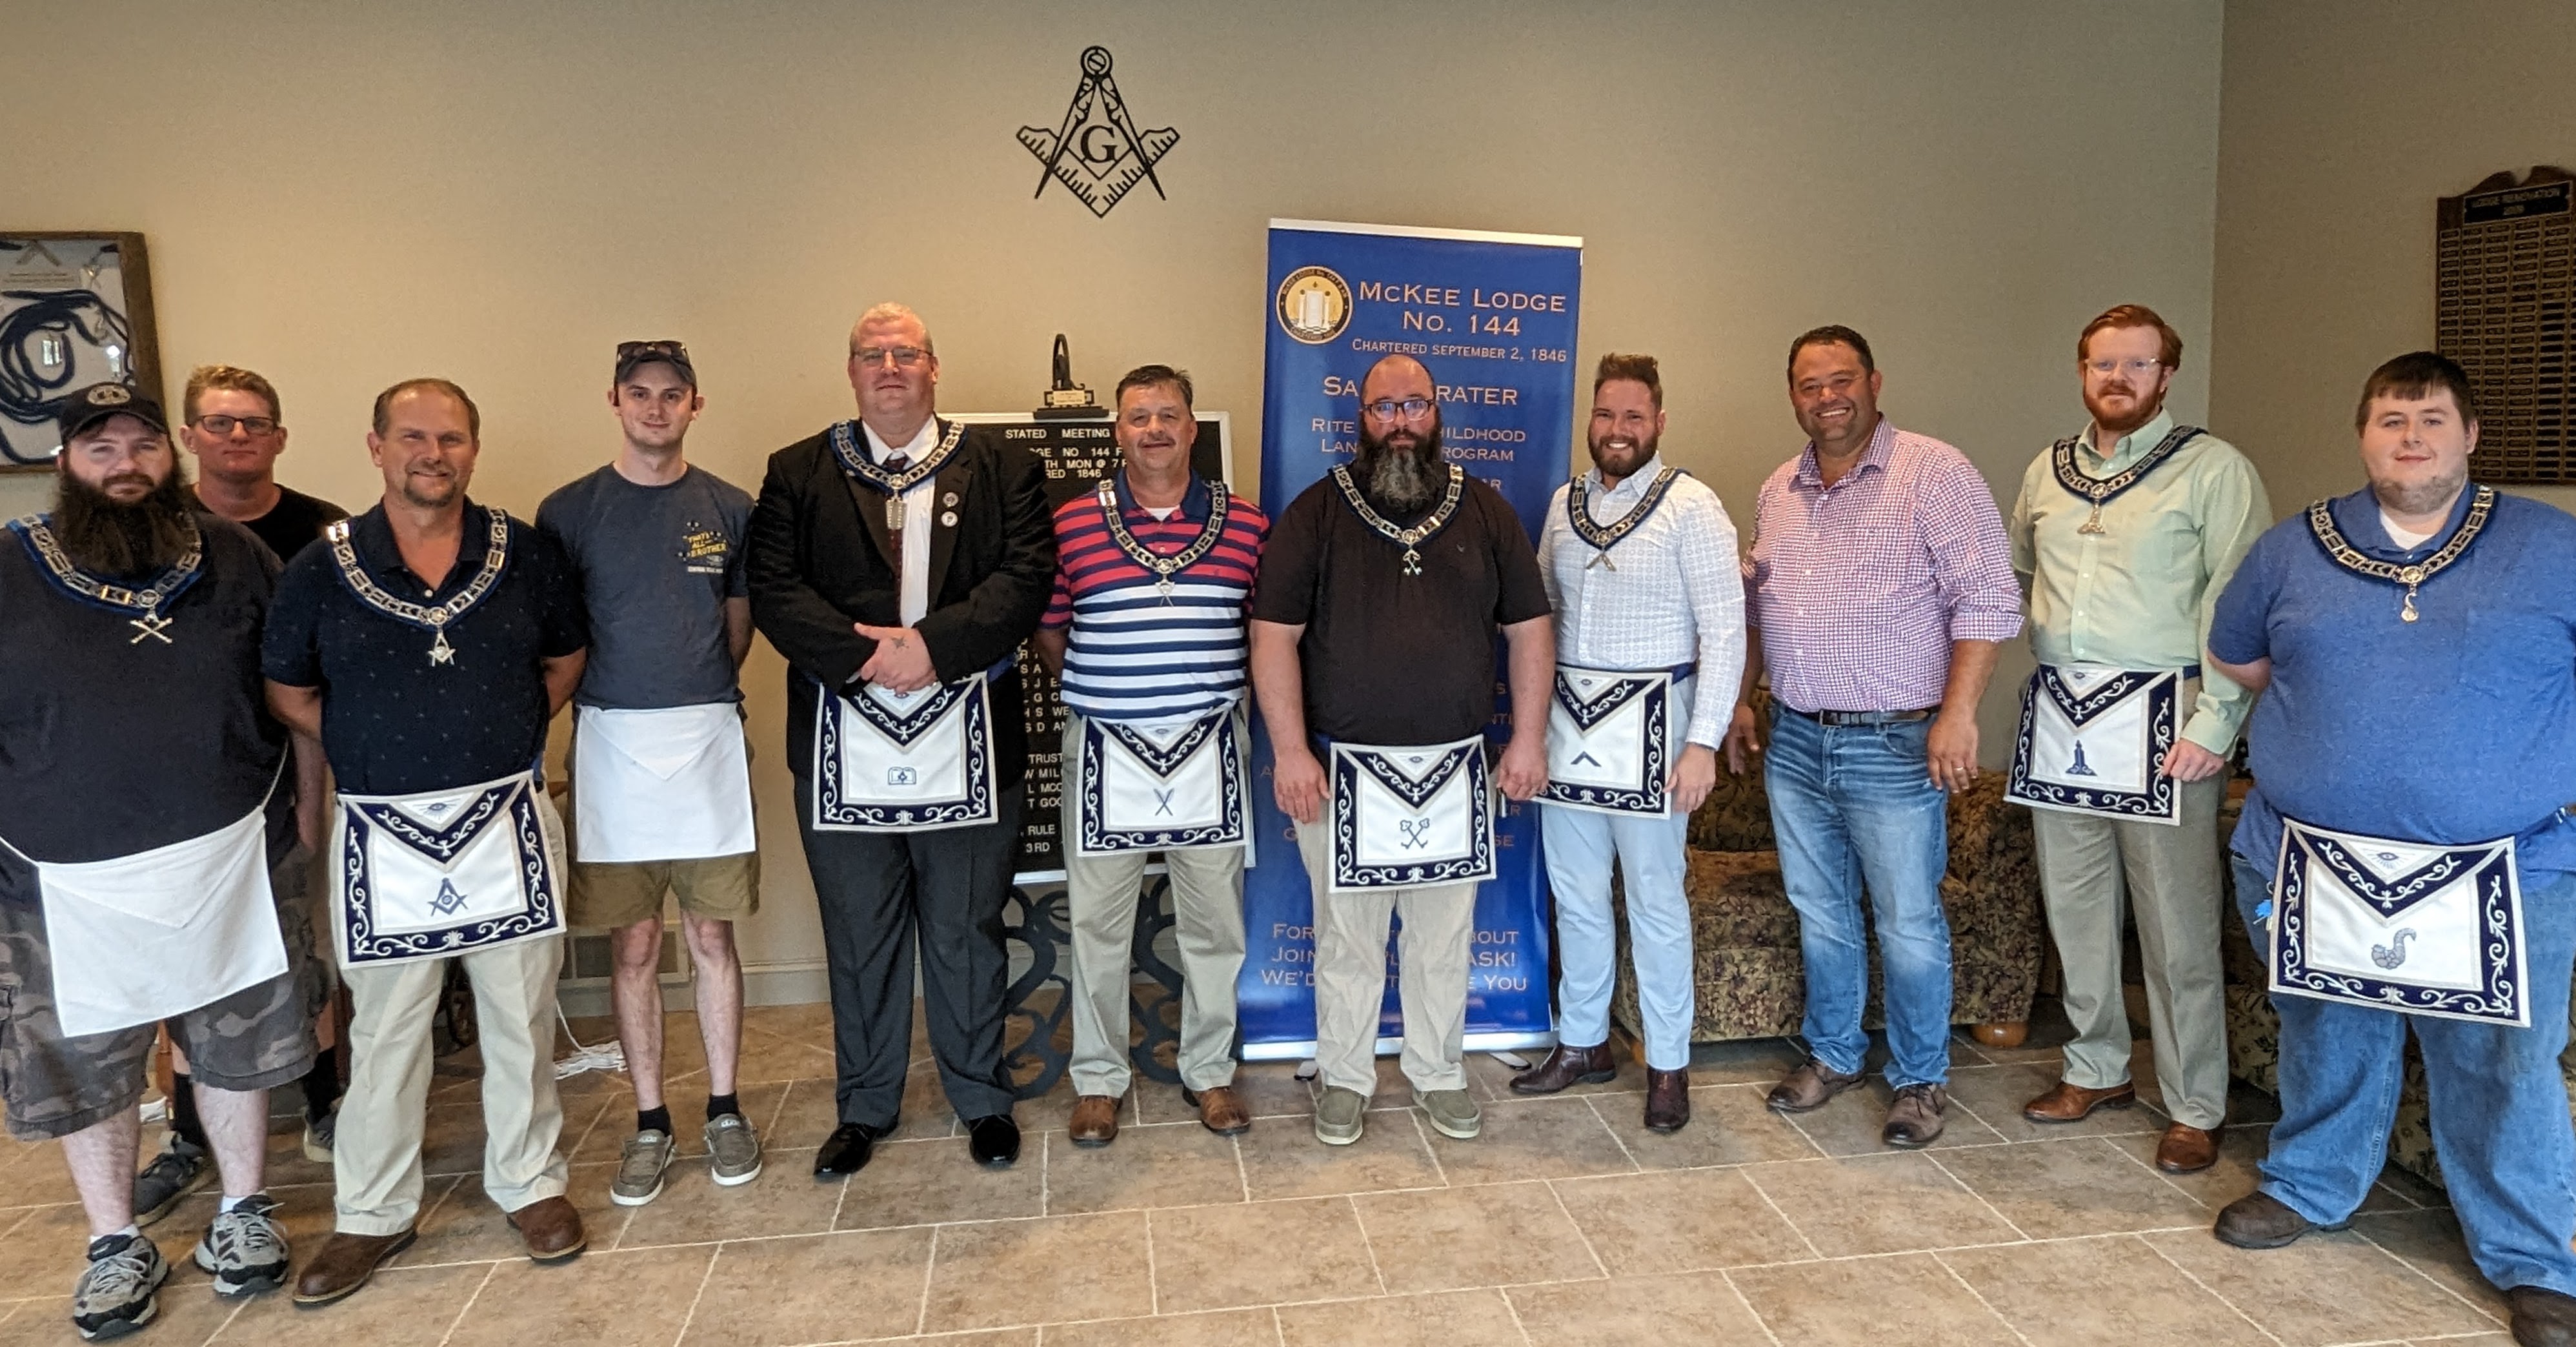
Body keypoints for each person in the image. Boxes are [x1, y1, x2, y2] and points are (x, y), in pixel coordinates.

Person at [2206, 351, 2576, 1347]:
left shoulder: (2553, 545)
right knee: (2327, 1032)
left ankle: (2536, 1257)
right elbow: (2239, 655)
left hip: (2508, 865)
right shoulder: (2292, 549)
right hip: (2312, 858)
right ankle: (2309, 1183)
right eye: (2391, 420)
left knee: (2505, 1062)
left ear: (2471, 434)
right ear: (2363, 434)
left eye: (2432, 419)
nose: (2411, 437)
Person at [266, 379, 590, 1306]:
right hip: (383, 830)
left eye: (450, 438)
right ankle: (372, 1210)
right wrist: (378, 743)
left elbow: (564, 657)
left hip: (505, 816)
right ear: (376, 446)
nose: (432, 454)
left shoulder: (524, 553)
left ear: (473, 450)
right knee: (386, 1030)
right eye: (412, 436)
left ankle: (529, 1182)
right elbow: (289, 688)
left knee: (519, 1016)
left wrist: (497, 733)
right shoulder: (322, 566)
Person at [0, 384, 315, 1337]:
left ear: (168, 455)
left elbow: (295, 683)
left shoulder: (235, 554)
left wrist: (309, 800)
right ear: (65, 462)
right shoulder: (7, 566)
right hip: (63, 872)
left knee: (237, 1042)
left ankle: (244, 1209)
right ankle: (113, 1239)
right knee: (87, 1061)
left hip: (232, 848)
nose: (125, 464)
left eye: (141, 445)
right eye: (101, 448)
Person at [747, 303, 1055, 1177]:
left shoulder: (1002, 466)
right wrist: (866, 656)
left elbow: (1026, 575)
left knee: (965, 927)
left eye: (906, 353)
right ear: (851, 371)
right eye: (872, 354)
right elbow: (773, 585)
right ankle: (866, 1104)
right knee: (861, 931)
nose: (890, 367)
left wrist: (933, 646)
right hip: (842, 736)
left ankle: (981, 1096)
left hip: (970, 734)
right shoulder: (797, 471)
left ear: (933, 367)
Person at [1726, 325, 2021, 1148]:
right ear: (1792, 395)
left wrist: (1956, 713)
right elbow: (1759, 609)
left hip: (1894, 744)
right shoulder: (1777, 488)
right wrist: (1743, 699)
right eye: (1809, 384)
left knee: (1906, 920)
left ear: (1873, 381)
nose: (1826, 397)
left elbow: (1987, 599)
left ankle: (1919, 1079)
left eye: (1841, 379)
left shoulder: (1934, 472)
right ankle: (1833, 1054)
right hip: (1794, 739)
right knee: (1819, 910)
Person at [1251, 353, 1554, 1148]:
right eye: (1383, 407)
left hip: (1454, 770)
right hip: (1340, 771)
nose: (1399, 422)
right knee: (1346, 941)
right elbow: (1273, 635)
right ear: (1359, 417)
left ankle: (1438, 1071)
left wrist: (1527, 737)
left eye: (1413, 404)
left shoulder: (1484, 509)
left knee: (1441, 940)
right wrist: (1290, 751)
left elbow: (1529, 629)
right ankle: (1345, 1078)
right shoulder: (1316, 512)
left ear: (1436, 411)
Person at [2003, 305, 2269, 1175]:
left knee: (2176, 923)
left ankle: (2195, 1103)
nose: (2117, 377)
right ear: (2081, 370)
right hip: (2063, 712)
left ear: (2166, 373)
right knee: (2075, 907)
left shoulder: (2213, 469)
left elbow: (2238, 603)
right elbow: (2016, 573)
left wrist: (2215, 722)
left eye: (2137, 363)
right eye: (2102, 362)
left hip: (2165, 716)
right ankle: (2095, 1066)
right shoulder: (2046, 469)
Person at [538, 341, 763, 1205]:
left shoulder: (728, 507)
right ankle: (650, 1120)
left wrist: (690, 689)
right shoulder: (569, 511)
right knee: (633, 943)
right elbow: (559, 634)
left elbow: (736, 628)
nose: (656, 408)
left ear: (695, 404)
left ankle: (725, 1107)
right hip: (610, 744)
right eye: (640, 394)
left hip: (706, 738)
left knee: (712, 937)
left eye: (673, 394)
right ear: (615, 401)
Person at [132, 365, 348, 1224]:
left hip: (286, 774)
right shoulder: (147, 527)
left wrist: (312, 792)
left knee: (304, 944)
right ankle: (189, 1133)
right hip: (177, 789)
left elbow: (328, 673)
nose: (237, 437)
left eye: (254, 422)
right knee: (184, 966)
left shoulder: (322, 531)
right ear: (189, 436)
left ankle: (326, 1103)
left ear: (279, 437)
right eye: (218, 422)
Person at [1031, 365, 1268, 1146]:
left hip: (1209, 745)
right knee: (1098, 925)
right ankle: (1098, 1080)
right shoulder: (1071, 523)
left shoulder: (1246, 524)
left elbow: (1260, 634)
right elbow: (1051, 630)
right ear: (1117, 431)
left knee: (1214, 923)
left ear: (1192, 428)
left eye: (1169, 414)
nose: (1155, 429)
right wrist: (1107, 693)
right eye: (1139, 416)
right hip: (1106, 747)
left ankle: (1208, 1070)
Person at [1513, 354, 1744, 1133]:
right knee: (1575, 893)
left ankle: (1668, 1062)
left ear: (1659, 421)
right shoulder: (1563, 502)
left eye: (1633, 416)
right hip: (1569, 723)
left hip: (1657, 724)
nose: (1617, 430)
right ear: (1591, 418)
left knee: (1653, 898)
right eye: (1606, 414)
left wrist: (1702, 741)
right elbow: (1541, 610)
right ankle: (1583, 1041)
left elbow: (1725, 631)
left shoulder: (1692, 506)